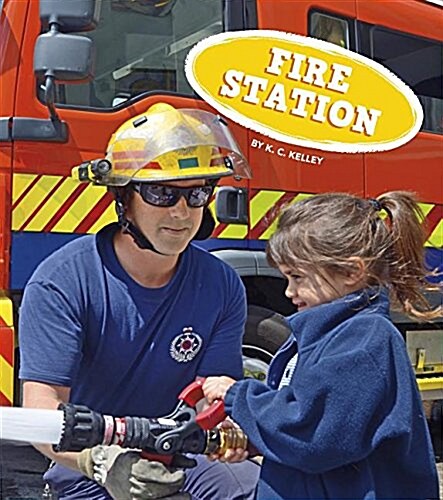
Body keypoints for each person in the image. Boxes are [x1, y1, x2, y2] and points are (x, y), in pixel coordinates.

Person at [18, 102, 259, 500]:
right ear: (123, 198)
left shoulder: (221, 284)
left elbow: (214, 394)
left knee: (257, 491)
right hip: (89, 468)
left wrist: (229, 427)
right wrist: (98, 460)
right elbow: (40, 411)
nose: (183, 212)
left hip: (187, 454)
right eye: (162, 193)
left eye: (198, 193)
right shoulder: (62, 281)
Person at [202, 191, 441, 499]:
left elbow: (312, 433)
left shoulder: (364, 342)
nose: (289, 292)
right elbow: (314, 427)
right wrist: (255, 437)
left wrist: (237, 395)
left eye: (297, 277)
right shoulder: (328, 335)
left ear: (353, 271)